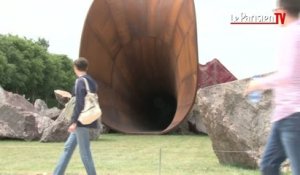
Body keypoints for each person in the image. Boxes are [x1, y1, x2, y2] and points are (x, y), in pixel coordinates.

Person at [245, 0, 300, 174]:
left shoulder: (292, 34)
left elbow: (288, 74)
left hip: (293, 115)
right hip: (284, 116)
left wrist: (258, 84)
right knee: (268, 164)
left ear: (282, 11)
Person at [53, 57, 98, 175]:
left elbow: (80, 103)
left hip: (80, 121)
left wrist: (74, 122)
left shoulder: (80, 81)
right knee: (68, 148)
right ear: (86, 68)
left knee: (85, 153)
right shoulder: (91, 81)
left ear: (75, 68)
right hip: (87, 118)